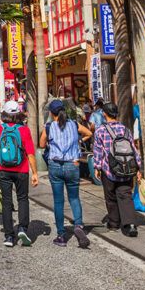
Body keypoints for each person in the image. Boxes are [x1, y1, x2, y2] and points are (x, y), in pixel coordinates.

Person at [39, 99, 93, 247]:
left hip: (55, 165)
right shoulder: (74, 124)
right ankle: (79, 225)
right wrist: (79, 141)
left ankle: (61, 236)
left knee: (58, 201)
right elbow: (89, 132)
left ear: (51, 112)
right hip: (72, 165)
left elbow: (42, 144)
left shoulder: (49, 127)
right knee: (74, 198)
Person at [0, 100, 38, 247]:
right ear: (19, 115)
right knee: (23, 199)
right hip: (21, 170)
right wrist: (35, 173)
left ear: (4, 114)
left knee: (7, 202)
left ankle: (9, 236)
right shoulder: (24, 130)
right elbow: (31, 154)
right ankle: (22, 228)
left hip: (3, 169)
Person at [93, 102, 142, 237]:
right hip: (126, 167)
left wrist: (97, 167)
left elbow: (98, 150)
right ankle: (130, 224)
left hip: (109, 168)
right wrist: (137, 166)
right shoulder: (125, 129)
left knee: (110, 196)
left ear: (104, 113)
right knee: (125, 194)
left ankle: (114, 222)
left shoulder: (100, 130)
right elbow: (133, 149)